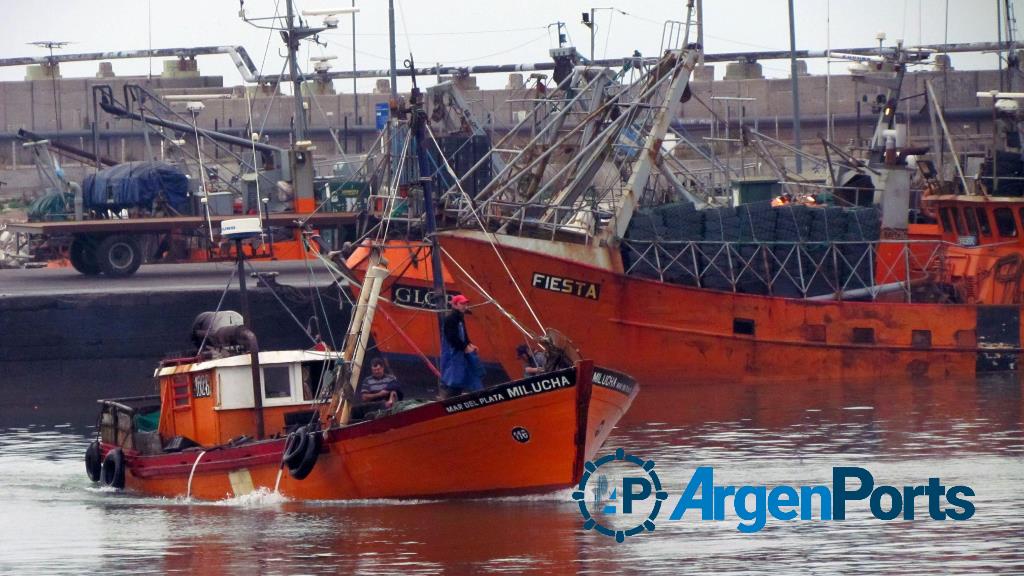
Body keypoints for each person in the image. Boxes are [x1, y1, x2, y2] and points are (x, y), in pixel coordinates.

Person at [440, 294, 483, 398]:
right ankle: (448, 400)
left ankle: (476, 395)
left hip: (459, 351)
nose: (465, 306)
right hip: (453, 353)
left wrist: (469, 344)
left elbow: (464, 334)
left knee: (462, 377)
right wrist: (464, 347)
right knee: (456, 379)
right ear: (455, 305)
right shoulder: (451, 319)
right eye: (462, 303)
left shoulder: (460, 317)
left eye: (465, 303)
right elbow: (452, 337)